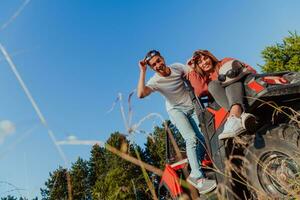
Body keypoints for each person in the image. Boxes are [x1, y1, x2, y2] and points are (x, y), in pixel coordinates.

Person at [137, 50, 216, 194]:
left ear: (163, 58)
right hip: (175, 110)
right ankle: (198, 177)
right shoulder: (154, 81)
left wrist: (194, 65)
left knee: (203, 137)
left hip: (191, 106)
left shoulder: (177, 67)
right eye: (154, 65)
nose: (158, 65)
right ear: (152, 68)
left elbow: (192, 73)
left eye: (159, 61)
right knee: (191, 138)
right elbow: (141, 94)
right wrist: (142, 71)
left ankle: (196, 167)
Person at [186, 50, 257, 140]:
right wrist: (192, 70)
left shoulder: (224, 62)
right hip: (225, 103)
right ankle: (242, 116)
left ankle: (235, 115)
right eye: (200, 62)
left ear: (210, 57)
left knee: (228, 73)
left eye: (205, 58)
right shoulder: (205, 80)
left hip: (246, 91)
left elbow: (250, 70)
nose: (204, 62)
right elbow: (200, 91)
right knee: (212, 85)